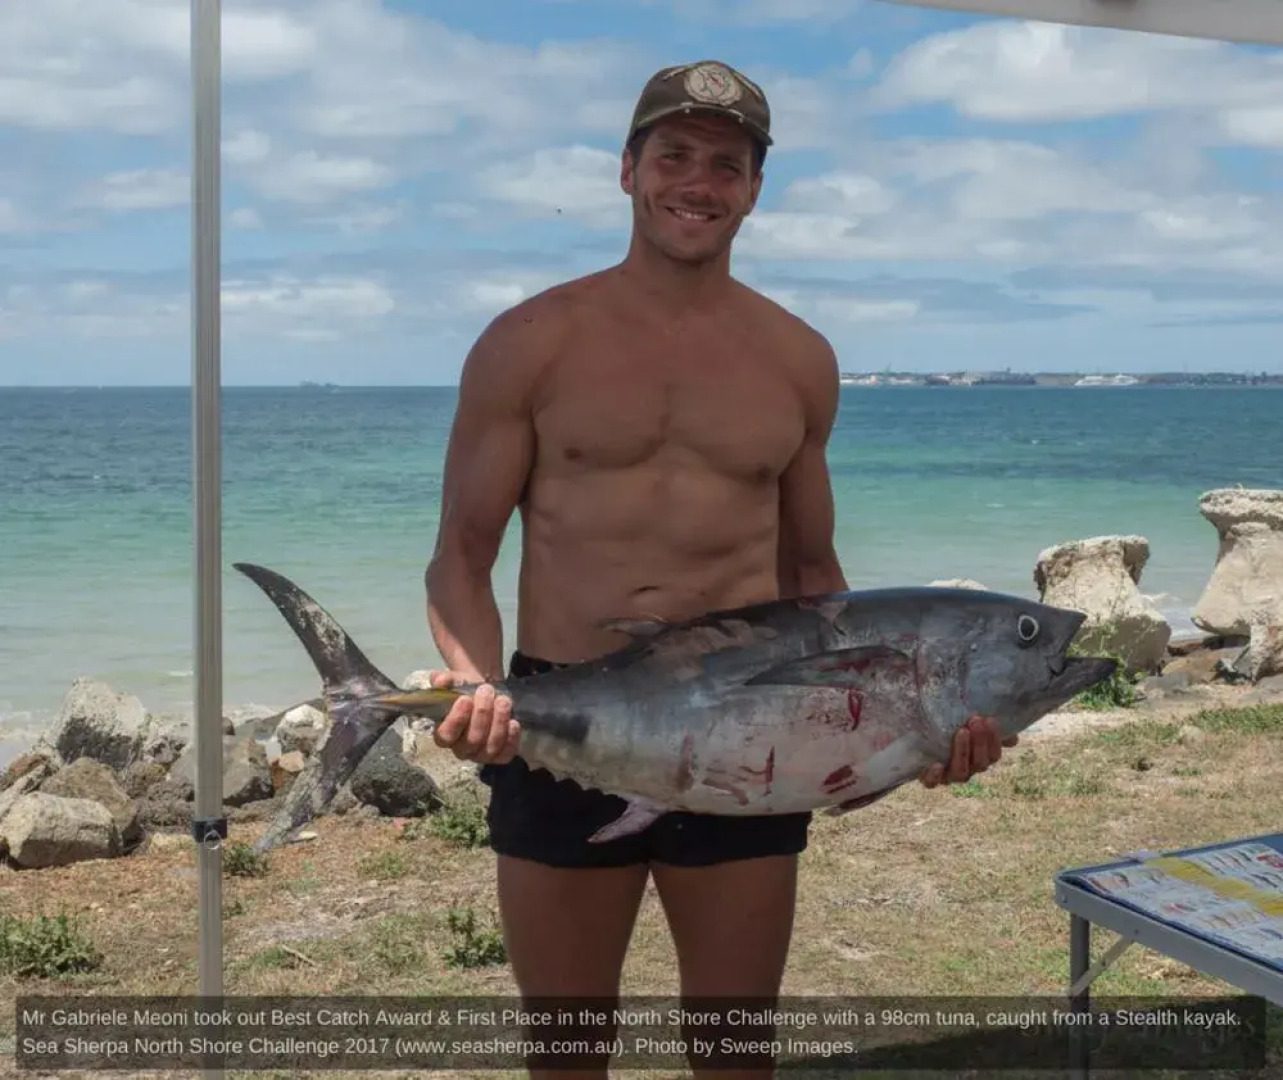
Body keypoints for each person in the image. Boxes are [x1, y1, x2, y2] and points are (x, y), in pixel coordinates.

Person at [424, 60, 1016, 1079]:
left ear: (753, 187)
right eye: (674, 155)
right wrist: (478, 690)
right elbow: (461, 559)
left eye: (727, 165)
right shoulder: (527, 343)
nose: (697, 183)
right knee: (566, 1055)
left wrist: (906, 726)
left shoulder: (796, 358)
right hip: (567, 716)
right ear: (626, 170)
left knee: (734, 1052)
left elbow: (810, 571)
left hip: (758, 733)